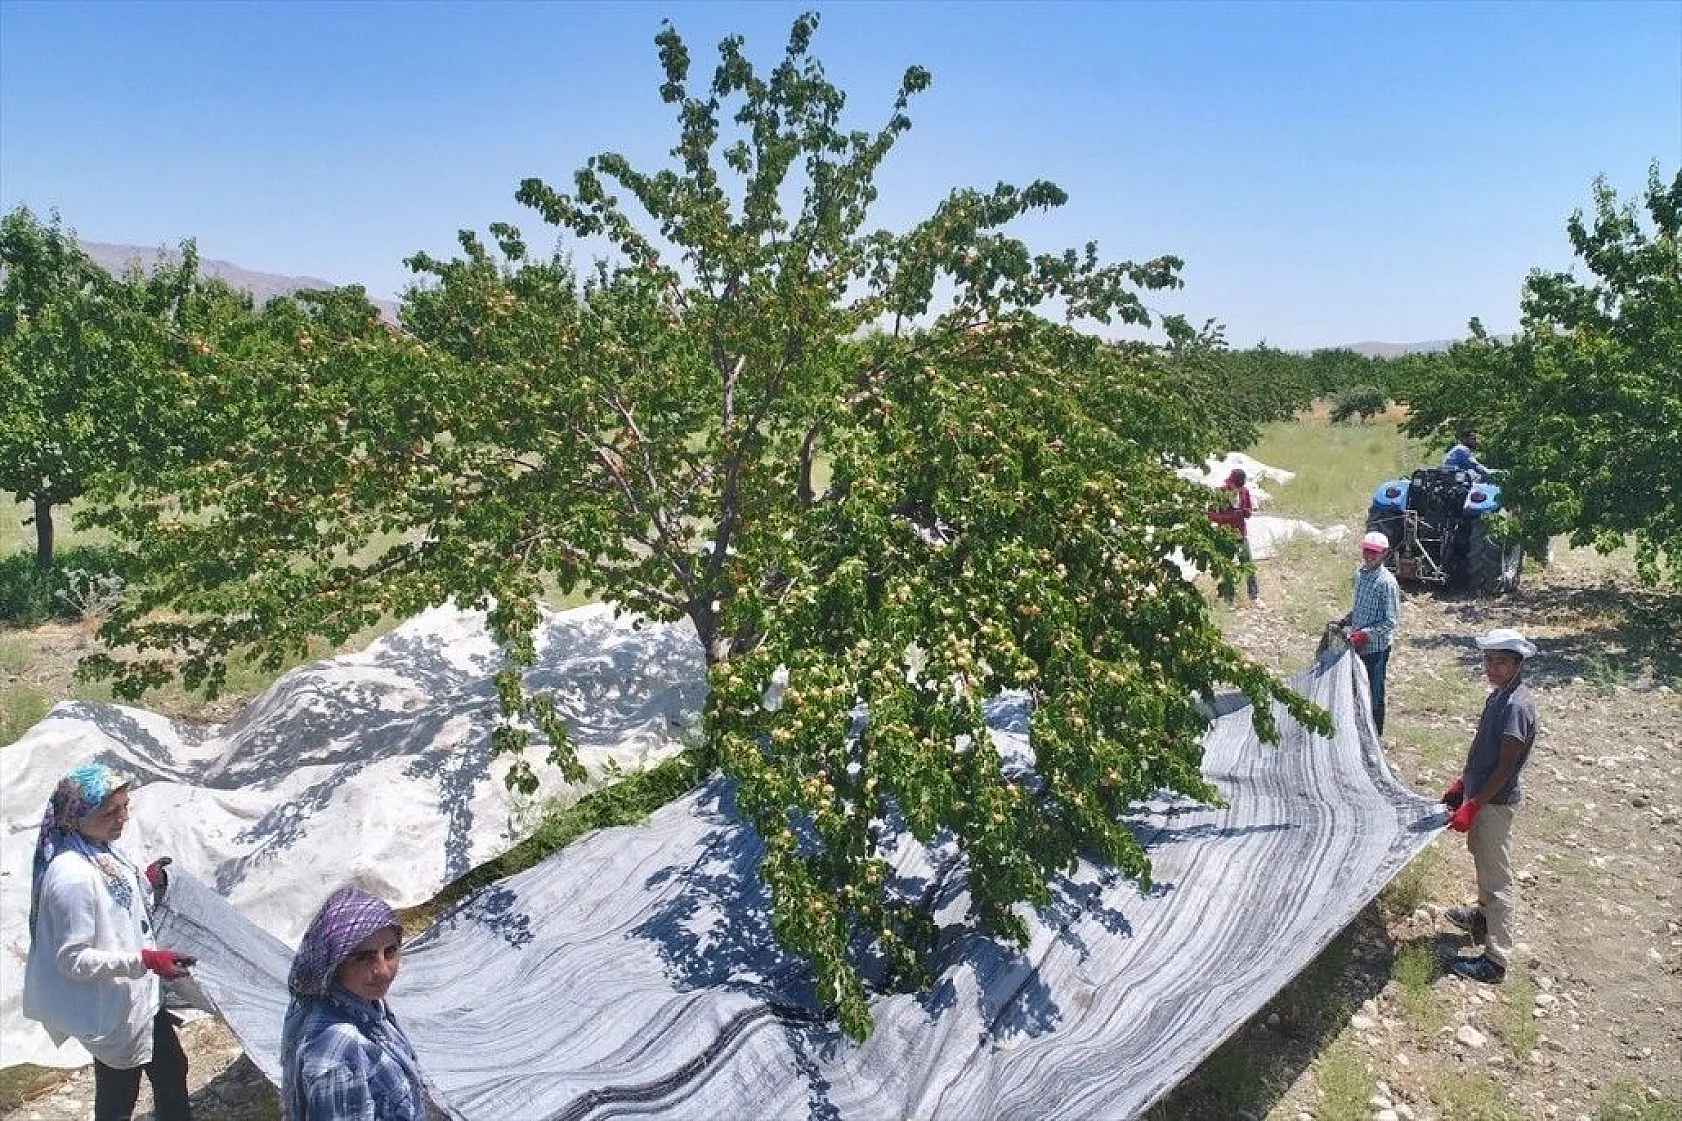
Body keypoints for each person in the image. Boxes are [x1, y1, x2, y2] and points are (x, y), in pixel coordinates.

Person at [23, 763, 195, 1121]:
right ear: (76, 817)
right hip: (112, 1008)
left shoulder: (98, 848)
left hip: (136, 997)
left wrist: (146, 883)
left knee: (171, 1069)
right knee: (119, 1096)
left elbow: (116, 906)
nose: (123, 818)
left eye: (125, 807)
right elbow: (73, 959)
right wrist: (144, 960)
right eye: (110, 812)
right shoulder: (71, 876)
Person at [282, 886, 439, 1121]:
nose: (383, 971)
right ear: (334, 963)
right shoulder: (339, 1053)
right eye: (363, 957)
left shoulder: (363, 1006)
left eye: (390, 951)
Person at [1440, 628, 1540, 984]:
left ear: (1518, 665)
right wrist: (1463, 785)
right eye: (1488, 660)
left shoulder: (1516, 706)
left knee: (1498, 879)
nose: (1491, 668)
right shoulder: (1499, 695)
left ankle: (1496, 961)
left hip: (1495, 802)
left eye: (1501, 662)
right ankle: (1482, 919)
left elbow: (1505, 766)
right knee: (1482, 859)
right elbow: (1483, 750)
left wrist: (1475, 803)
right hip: (1481, 796)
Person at [1338, 531, 1402, 736]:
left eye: (1375, 552)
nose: (1370, 556)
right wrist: (1347, 620)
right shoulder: (1361, 575)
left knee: (1374, 692)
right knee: (1357, 688)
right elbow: (1361, 608)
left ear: (1384, 554)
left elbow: (1390, 621)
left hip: (1376, 648)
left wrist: (1365, 635)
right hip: (1357, 645)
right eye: (1367, 551)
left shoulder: (1387, 583)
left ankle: (1375, 735)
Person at [1208, 467, 1261, 606]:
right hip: (1225, 536)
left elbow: (1248, 510)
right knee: (1227, 569)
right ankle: (1229, 599)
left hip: (1241, 535)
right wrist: (1230, 517)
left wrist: (1246, 512)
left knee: (1248, 565)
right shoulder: (1220, 493)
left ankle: (1254, 596)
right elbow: (1211, 515)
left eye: (1238, 487)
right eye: (1233, 486)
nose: (1236, 489)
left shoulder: (1244, 492)